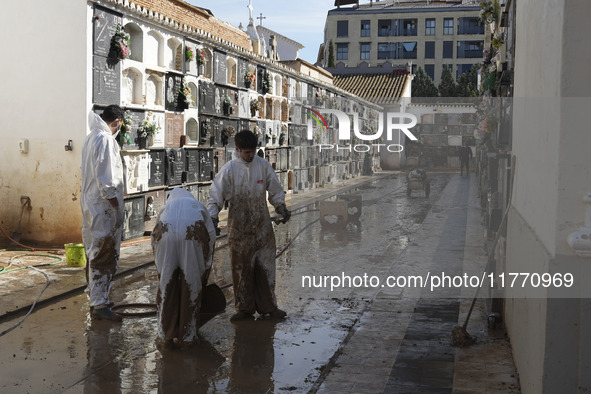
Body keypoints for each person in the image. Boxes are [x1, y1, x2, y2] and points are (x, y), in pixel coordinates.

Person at [207, 130, 291, 321]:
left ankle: (269, 307)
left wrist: (281, 206)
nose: (251, 155)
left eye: (253, 151)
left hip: (262, 226)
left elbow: (275, 187)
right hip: (239, 229)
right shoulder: (228, 170)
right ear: (237, 149)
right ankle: (244, 309)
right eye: (246, 152)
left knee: (266, 267)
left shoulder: (262, 165)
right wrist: (212, 217)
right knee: (241, 269)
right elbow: (215, 196)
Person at [151, 187, 217, 350]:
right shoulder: (198, 206)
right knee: (192, 286)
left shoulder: (165, 209)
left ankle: (166, 337)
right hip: (193, 234)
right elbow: (211, 236)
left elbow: (154, 240)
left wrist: (161, 269)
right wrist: (205, 267)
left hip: (166, 236)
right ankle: (187, 338)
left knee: (167, 288)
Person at [81, 105, 125, 321]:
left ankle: (97, 298)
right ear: (117, 121)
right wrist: (116, 209)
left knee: (93, 252)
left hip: (91, 206)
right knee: (104, 254)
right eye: (120, 125)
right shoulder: (106, 140)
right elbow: (106, 182)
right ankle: (99, 305)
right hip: (103, 208)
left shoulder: (90, 138)